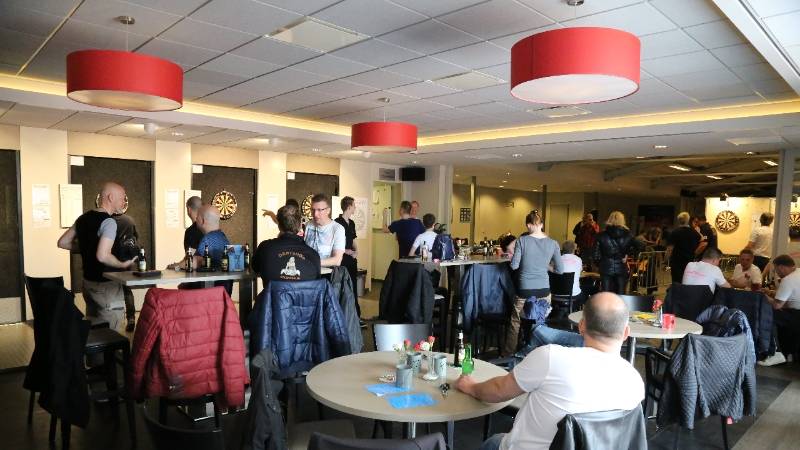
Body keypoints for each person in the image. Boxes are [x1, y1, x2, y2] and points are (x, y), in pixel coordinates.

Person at [457, 292, 644, 450]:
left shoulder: (551, 358)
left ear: (581, 326)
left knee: (493, 442)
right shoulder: (635, 384)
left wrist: (470, 386)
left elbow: (499, 391)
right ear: (626, 333)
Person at [57, 182, 136, 330]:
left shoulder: (82, 219)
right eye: (122, 198)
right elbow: (102, 256)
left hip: (88, 285)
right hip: (107, 287)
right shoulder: (109, 222)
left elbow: (63, 242)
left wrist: (87, 248)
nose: (123, 202)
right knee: (111, 332)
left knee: (95, 330)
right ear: (110, 197)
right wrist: (122, 264)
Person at [505, 210, 563, 356]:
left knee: (516, 322)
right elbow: (560, 270)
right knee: (540, 322)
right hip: (544, 290)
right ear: (542, 224)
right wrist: (545, 266)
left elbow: (514, 266)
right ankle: (539, 354)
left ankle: (509, 354)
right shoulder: (553, 243)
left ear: (528, 225)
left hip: (525, 289)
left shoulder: (522, 241)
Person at [252, 204, 320, 285]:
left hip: (274, 294)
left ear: (279, 226)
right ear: (300, 225)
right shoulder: (313, 255)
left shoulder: (265, 248)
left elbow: (255, 268)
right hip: (304, 294)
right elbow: (316, 281)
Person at [759, 254, 800, 366]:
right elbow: (791, 296)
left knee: (767, 314)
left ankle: (776, 352)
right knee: (781, 316)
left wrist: (764, 296)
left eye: (776, 270)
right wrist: (771, 293)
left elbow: (777, 305)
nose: (777, 273)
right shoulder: (798, 273)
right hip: (795, 312)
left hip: (796, 316)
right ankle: (788, 353)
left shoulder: (788, 280)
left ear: (781, 267)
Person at [593, 211, 643, 294]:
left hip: (605, 267)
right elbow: (641, 246)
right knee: (621, 293)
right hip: (621, 267)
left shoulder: (600, 235)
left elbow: (595, 255)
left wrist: (601, 264)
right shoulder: (629, 235)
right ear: (622, 220)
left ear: (609, 219)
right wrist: (628, 254)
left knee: (606, 293)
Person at [334, 196, 363, 323]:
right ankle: (341, 316)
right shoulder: (336, 223)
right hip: (341, 259)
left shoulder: (352, 223)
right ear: (349, 207)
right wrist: (346, 251)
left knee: (353, 286)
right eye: (354, 206)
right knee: (341, 287)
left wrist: (357, 251)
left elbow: (353, 239)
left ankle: (355, 316)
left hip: (351, 260)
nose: (355, 208)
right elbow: (334, 243)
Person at [111, 213, 140, 332]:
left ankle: (115, 322)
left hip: (112, 259)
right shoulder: (129, 219)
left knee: (113, 290)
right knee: (127, 290)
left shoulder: (108, 220)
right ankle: (131, 318)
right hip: (127, 259)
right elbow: (136, 237)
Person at [305, 193, 345, 267]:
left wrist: (312, 262)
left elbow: (337, 260)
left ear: (328, 210)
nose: (315, 214)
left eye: (319, 210)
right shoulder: (308, 225)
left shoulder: (338, 229)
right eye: (313, 210)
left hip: (326, 273)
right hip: (307, 271)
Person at [667, 212, 702, 283]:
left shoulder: (675, 232)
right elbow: (701, 241)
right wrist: (695, 253)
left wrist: (666, 258)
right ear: (688, 220)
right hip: (689, 262)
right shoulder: (694, 232)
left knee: (677, 281)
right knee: (688, 280)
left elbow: (670, 248)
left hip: (677, 262)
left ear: (678, 220)